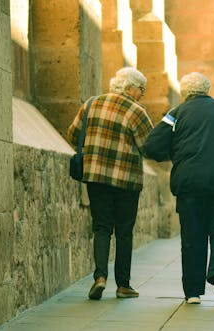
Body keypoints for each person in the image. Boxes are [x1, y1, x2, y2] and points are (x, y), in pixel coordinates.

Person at [143, 72, 214, 306]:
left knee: (193, 237)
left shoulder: (176, 114)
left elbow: (151, 146)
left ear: (185, 93)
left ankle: (193, 292)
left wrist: (175, 155)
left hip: (191, 184)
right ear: (207, 91)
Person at [67, 67, 153, 300]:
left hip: (96, 177)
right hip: (126, 180)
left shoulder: (91, 104)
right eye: (141, 89)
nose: (142, 94)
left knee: (101, 227)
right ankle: (123, 285)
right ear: (129, 88)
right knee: (124, 231)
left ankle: (100, 277)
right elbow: (149, 146)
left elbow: (74, 134)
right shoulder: (136, 111)